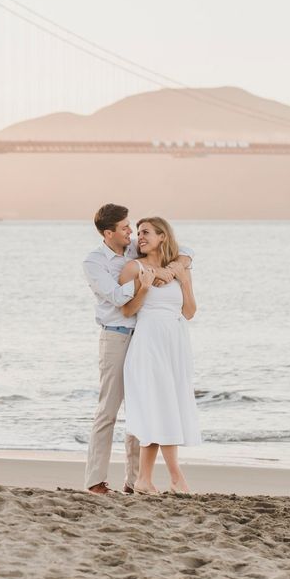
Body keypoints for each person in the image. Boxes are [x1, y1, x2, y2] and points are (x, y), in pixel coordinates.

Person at [83, 204, 193, 494]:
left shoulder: (132, 248)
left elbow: (184, 250)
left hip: (146, 337)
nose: (131, 233)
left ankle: (135, 480)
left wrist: (170, 269)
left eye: (131, 228)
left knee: (141, 408)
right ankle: (95, 481)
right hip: (118, 336)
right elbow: (118, 297)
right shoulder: (95, 262)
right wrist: (147, 280)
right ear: (109, 233)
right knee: (109, 409)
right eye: (125, 228)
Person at [120, 217, 201, 495]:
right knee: (161, 407)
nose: (140, 237)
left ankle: (144, 479)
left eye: (146, 232)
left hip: (175, 346)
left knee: (164, 409)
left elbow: (189, 312)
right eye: (138, 233)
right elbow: (127, 311)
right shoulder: (134, 267)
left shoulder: (177, 268)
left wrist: (184, 281)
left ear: (162, 236)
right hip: (148, 344)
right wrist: (144, 287)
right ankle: (177, 477)